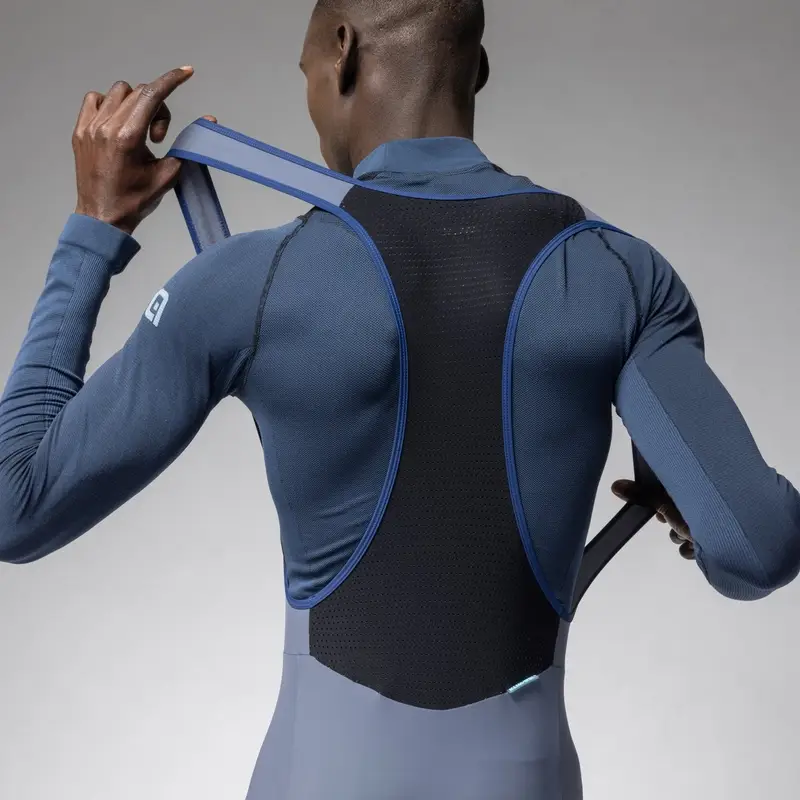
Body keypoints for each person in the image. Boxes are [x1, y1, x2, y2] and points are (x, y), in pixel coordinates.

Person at [1, 1, 798, 797]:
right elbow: (756, 550)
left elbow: (18, 504)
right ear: (478, 69)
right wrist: (694, 502)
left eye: (307, 75)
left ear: (342, 52)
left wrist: (93, 227)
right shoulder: (616, 274)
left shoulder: (253, 280)